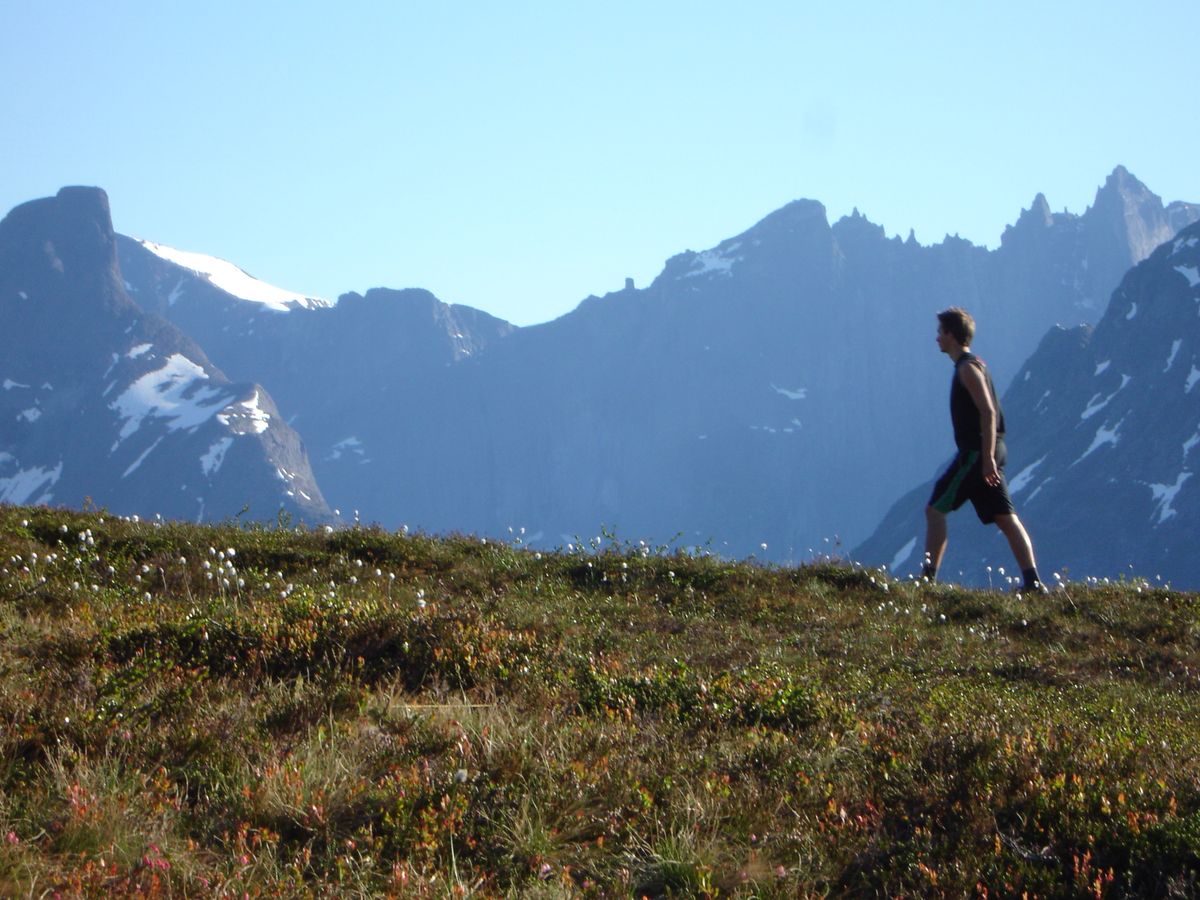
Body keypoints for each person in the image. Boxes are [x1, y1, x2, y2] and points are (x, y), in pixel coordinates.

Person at [921, 307, 1045, 592]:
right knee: (1004, 516)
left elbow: (987, 412)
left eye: (940, 332)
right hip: (990, 450)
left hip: (978, 453)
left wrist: (986, 458)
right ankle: (1033, 582)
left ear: (951, 335)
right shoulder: (975, 364)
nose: (937, 337)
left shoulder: (967, 369)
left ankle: (927, 581)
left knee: (935, 509)